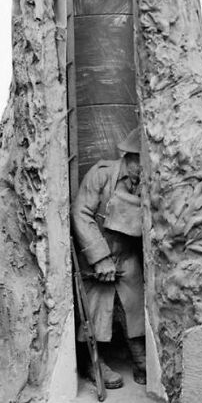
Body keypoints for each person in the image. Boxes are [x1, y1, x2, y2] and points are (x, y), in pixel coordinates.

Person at [71, 128, 147, 388]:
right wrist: (99, 257)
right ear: (128, 156)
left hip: (126, 254)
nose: (143, 168)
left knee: (134, 304)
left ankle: (141, 358)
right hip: (96, 254)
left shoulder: (146, 182)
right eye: (140, 161)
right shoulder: (102, 174)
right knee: (96, 308)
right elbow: (80, 213)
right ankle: (95, 362)